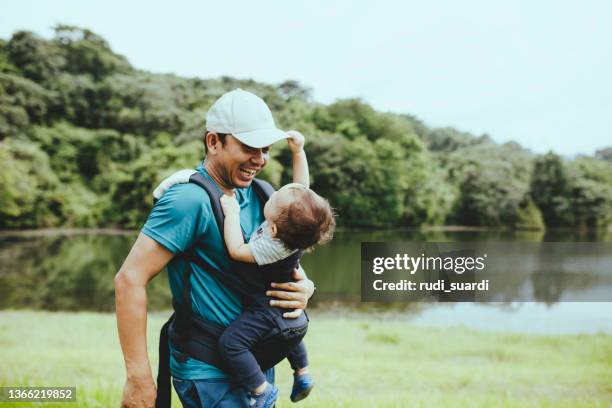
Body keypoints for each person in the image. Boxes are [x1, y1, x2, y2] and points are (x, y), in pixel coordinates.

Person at [115, 88, 316, 408]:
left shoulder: (264, 195)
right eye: (250, 147)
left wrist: (305, 287)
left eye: (265, 149)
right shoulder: (186, 200)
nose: (260, 159)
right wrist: (138, 377)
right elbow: (130, 280)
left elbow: (282, 259)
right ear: (213, 142)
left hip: (257, 367)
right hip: (209, 370)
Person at [154, 131, 335, 406]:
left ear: (273, 228)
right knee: (289, 329)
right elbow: (302, 188)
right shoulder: (292, 230)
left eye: (278, 198)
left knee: (233, 343)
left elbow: (237, 250)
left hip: (263, 310)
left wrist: (233, 213)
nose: (279, 191)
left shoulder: (270, 243)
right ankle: (303, 372)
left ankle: (261, 390)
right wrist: (298, 153)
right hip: (287, 318)